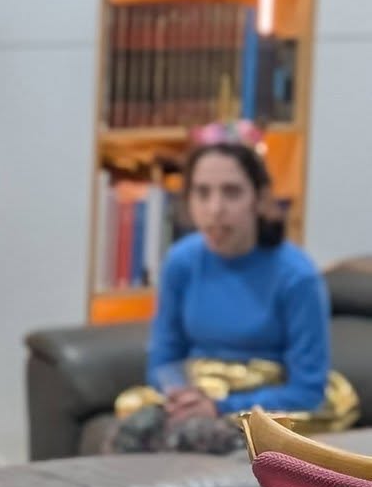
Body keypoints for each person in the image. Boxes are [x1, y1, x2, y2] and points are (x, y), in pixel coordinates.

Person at [111, 126, 356, 453]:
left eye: (231, 192)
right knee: (134, 415)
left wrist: (219, 407)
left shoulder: (297, 276)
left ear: (259, 198)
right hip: (198, 391)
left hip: (262, 403)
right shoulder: (181, 261)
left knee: (211, 433)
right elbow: (163, 360)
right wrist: (182, 396)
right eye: (202, 193)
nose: (215, 209)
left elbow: (307, 391)